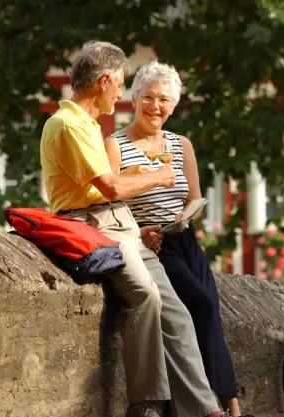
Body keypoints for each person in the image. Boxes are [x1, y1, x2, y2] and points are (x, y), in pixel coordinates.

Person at [40, 41, 222, 417]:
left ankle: (206, 411)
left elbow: (108, 192)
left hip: (117, 222)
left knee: (178, 313)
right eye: (121, 84)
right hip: (91, 224)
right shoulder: (68, 124)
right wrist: (159, 176)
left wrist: (138, 228)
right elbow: (111, 187)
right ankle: (145, 404)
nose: (121, 93)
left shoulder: (87, 123)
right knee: (146, 298)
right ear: (104, 80)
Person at [104, 60, 252, 417]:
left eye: (165, 100)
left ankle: (230, 403)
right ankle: (210, 406)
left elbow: (195, 199)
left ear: (175, 104)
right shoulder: (115, 144)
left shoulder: (181, 144)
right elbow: (109, 202)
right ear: (135, 97)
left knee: (211, 313)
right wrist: (141, 230)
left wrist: (186, 217)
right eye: (149, 97)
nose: (156, 106)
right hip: (150, 243)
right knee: (196, 307)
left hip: (185, 239)